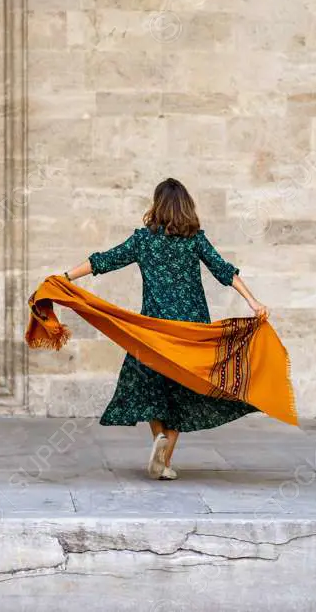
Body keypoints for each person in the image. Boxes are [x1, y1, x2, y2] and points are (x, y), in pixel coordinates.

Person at [62, 178, 269, 480]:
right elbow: (224, 270)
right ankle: (165, 456)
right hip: (191, 332)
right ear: (187, 207)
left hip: (154, 330)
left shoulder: (144, 240)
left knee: (150, 387)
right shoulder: (195, 239)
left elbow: (103, 261)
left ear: (157, 206)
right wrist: (253, 301)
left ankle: (161, 444)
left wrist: (66, 277)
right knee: (181, 392)